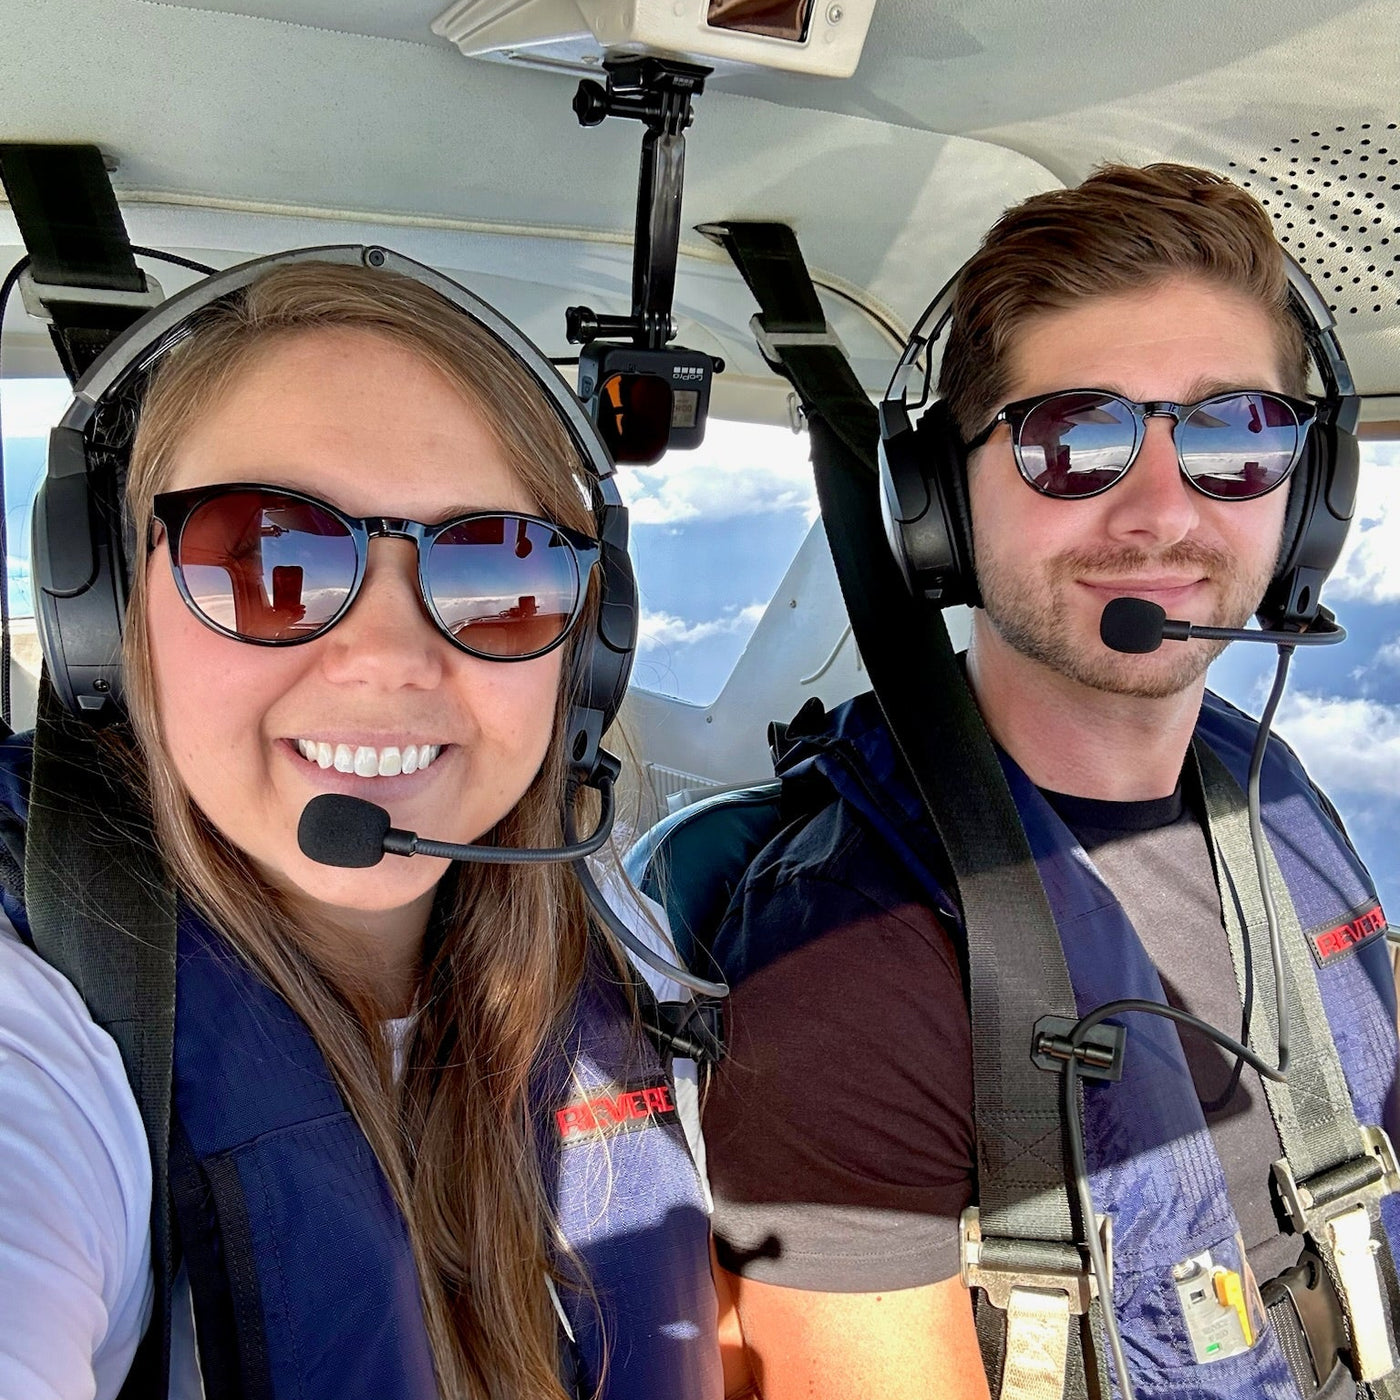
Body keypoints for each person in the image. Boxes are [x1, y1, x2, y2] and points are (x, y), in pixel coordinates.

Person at [701, 164, 1400, 1399]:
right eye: (1070, 440)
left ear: (1309, 498)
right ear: (937, 507)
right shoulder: (851, 962)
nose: (1158, 509)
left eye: (1234, 434)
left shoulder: (1266, 783)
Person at [0, 252, 728, 1399]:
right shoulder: (37, 1037)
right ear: (106, 611)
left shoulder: (615, 942)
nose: (388, 657)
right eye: (261, 555)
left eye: (499, 568)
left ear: (585, 652)